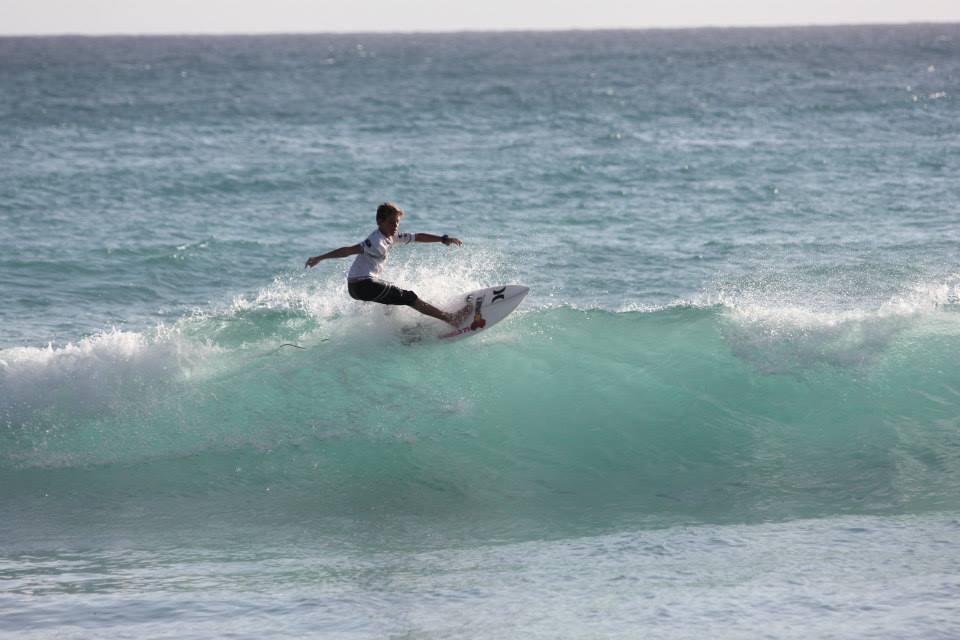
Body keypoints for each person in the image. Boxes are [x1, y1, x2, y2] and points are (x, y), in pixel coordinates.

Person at [305, 202, 472, 326]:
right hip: (362, 284)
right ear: (380, 221)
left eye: (397, 222)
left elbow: (418, 236)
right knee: (409, 297)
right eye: (392, 222)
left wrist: (443, 239)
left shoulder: (392, 236)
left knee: (390, 304)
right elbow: (348, 250)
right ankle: (452, 319)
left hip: (358, 287)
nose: (396, 225)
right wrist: (320, 257)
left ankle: (399, 334)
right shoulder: (375, 241)